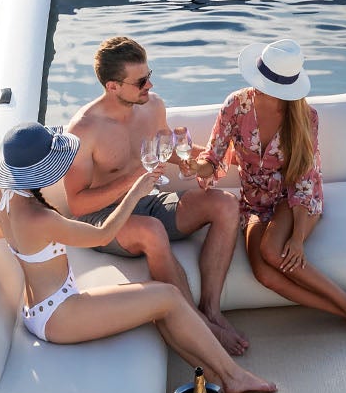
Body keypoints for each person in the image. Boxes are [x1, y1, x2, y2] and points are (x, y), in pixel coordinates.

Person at [0, 123, 275, 393]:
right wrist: (135, 193)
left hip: (39, 309)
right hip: (60, 315)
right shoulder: (40, 218)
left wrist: (17, 237)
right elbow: (101, 234)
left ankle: (216, 373)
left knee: (162, 303)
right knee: (168, 296)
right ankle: (233, 377)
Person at [61, 35, 248, 355]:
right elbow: (76, 204)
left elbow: (165, 151)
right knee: (151, 230)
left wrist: (203, 160)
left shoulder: (153, 105)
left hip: (149, 201)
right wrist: (133, 181)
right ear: (113, 86)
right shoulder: (83, 130)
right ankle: (200, 327)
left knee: (225, 204)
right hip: (104, 217)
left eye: (150, 76)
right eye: (141, 81)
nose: (149, 85)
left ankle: (211, 310)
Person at [197, 38, 346, 343]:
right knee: (265, 274)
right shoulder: (236, 105)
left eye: (265, 82)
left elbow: (304, 180)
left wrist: (297, 238)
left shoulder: (305, 118)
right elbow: (213, 157)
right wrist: (195, 168)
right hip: (253, 203)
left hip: (294, 199)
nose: (255, 86)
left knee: (273, 250)